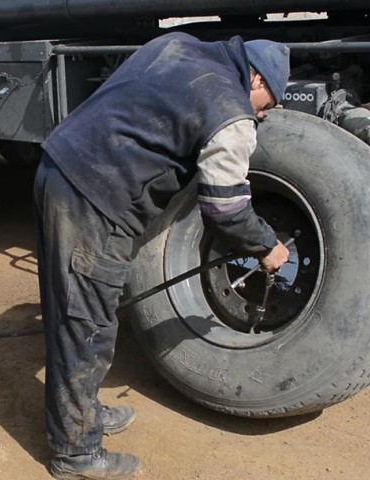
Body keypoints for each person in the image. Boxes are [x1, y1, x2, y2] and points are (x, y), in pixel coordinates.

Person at [33, 31, 291, 479]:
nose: (263, 115)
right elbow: (225, 210)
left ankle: (84, 412)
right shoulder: (231, 110)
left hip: (61, 166)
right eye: (267, 103)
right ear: (255, 77)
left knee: (83, 312)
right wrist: (267, 246)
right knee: (86, 322)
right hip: (96, 198)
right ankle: (75, 453)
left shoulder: (179, 45)